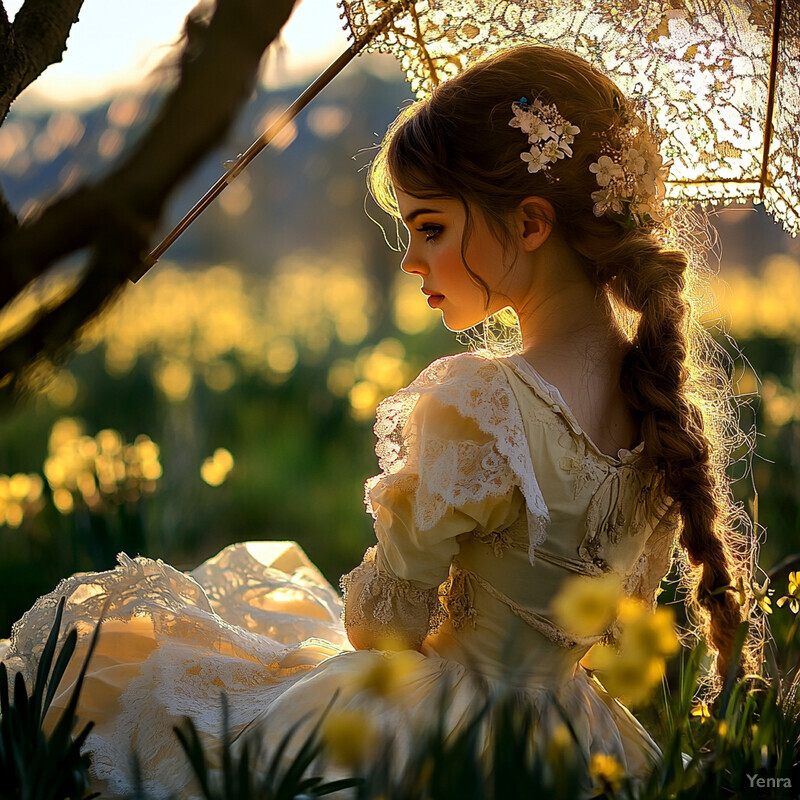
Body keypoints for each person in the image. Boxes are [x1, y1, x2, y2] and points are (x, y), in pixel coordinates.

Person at [1, 44, 765, 799]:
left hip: (438, 738)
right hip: (572, 742)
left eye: (430, 227)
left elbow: (383, 624)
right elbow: (612, 630)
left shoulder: (484, 404)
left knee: (132, 661)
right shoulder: (664, 411)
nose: (410, 259)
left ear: (532, 223)